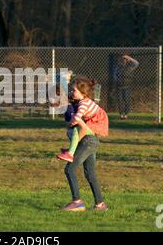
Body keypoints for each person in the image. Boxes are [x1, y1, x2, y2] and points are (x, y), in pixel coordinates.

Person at [56, 76, 109, 212]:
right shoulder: (80, 103)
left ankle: (77, 202)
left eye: (74, 90)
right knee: (90, 173)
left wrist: (74, 121)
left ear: (82, 92)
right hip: (92, 141)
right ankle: (100, 205)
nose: (71, 92)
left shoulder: (83, 104)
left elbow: (81, 126)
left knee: (69, 169)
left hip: (88, 141)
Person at [114, 55, 139, 119]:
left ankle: (126, 114)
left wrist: (129, 58)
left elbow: (136, 63)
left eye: (125, 59)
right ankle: (121, 114)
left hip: (127, 86)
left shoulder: (130, 67)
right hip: (119, 86)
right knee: (120, 101)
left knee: (126, 100)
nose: (124, 61)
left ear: (127, 61)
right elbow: (115, 75)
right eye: (123, 59)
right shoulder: (118, 67)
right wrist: (117, 80)